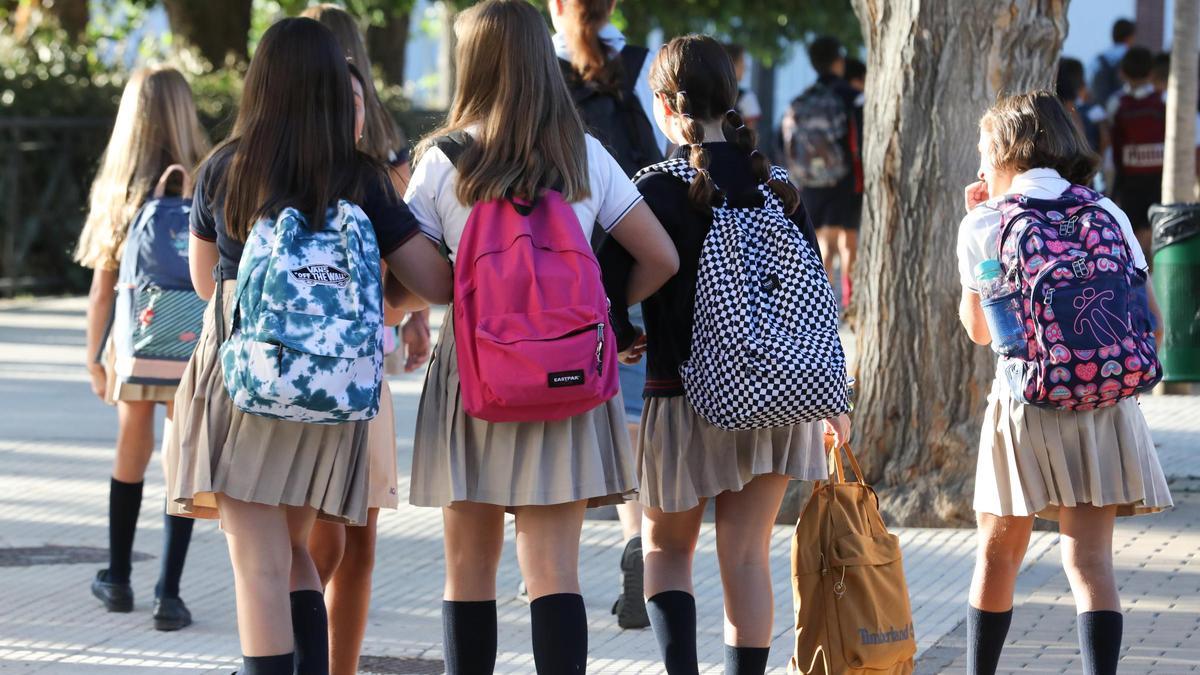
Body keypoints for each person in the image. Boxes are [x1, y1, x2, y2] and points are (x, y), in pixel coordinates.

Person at [165, 17, 451, 675]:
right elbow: (434, 281)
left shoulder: (225, 169)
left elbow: (207, 283)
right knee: (296, 553)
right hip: (332, 385)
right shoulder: (364, 176)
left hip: (247, 376)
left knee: (258, 562)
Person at [404, 2, 678, 672]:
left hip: (474, 374)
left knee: (468, 567)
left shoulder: (443, 161)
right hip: (567, 375)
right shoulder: (583, 155)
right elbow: (662, 257)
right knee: (555, 569)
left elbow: (430, 287)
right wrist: (606, 312)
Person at [630, 34, 850, 675]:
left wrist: (622, 333)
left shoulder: (657, 190)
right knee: (748, 556)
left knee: (667, 549)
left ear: (670, 103)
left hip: (683, 395)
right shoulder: (777, 186)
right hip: (780, 397)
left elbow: (610, 288)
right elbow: (816, 294)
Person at [957, 91, 1172, 675]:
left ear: (1005, 151)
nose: (978, 165)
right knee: (1091, 562)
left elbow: (980, 331)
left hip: (1024, 403)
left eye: (982, 150)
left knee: (998, 557)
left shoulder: (985, 223)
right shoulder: (1108, 213)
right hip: (1104, 401)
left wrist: (974, 227)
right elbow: (1150, 318)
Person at [298, 9, 431, 674]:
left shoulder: (269, 149)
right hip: (361, 359)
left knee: (310, 536)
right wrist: (413, 313)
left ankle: (287, 654)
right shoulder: (383, 154)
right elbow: (408, 265)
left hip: (284, 363)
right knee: (354, 537)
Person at [75, 66, 210, 632]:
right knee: (180, 457)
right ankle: (169, 593)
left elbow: (103, 288)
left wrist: (93, 357)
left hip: (138, 340)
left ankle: (119, 576)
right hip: (191, 340)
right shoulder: (206, 178)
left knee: (132, 445)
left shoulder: (122, 191)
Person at [548, 0, 662, 630]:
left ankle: (547, 569)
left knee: (554, 413)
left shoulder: (536, 67)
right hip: (631, 258)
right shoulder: (644, 66)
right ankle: (640, 543)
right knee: (635, 420)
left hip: (552, 271)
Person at [784, 35, 861, 311]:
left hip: (809, 181)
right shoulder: (849, 96)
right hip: (842, 178)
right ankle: (837, 305)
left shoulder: (803, 99)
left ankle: (818, 306)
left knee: (818, 245)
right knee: (835, 245)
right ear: (838, 61)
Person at [1108, 46, 1164, 257]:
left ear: (1122, 72)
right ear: (1151, 73)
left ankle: (1139, 268)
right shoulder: (1163, 102)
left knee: (1130, 226)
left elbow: (1110, 141)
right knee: (1151, 225)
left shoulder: (1116, 103)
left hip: (1128, 178)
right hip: (1157, 177)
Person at [1091, 18, 1136, 110]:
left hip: (1100, 110)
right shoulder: (1131, 57)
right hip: (1123, 110)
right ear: (1130, 37)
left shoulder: (1099, 58)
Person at [722, 43, 762, 130]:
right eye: (742, 61)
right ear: (732, 64)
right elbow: (751, 134)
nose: (745, 66)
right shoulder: (747, 97)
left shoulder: (708, 94)